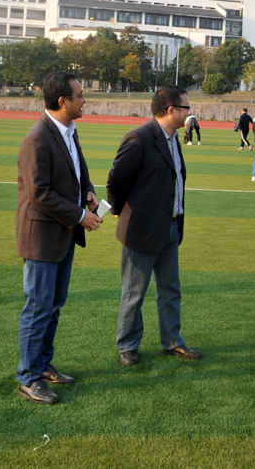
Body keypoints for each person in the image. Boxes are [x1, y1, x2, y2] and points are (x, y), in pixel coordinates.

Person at [16, 71, 102, 404]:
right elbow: (39, 193)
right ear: (63, 101)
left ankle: (42, 364)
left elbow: (78, 171)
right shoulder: (37, 138)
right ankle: (29, 377)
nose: (85, 100)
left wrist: (88, 192)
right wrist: (80, 215)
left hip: (62, 235)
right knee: (38, 307)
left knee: (53, 305)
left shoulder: (69, 131)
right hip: (41, 237)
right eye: (80, 95)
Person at [107, 85, 203, 367]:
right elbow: (116, 181)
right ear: (171, 110)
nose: (189, 112)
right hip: (143, 229)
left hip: (170, 228)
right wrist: (119, 210)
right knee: (134, 292)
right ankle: (128, 346)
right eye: (186, 107)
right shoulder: (138, 138)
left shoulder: (173, 138)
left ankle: (172, 340)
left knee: (171, 289)